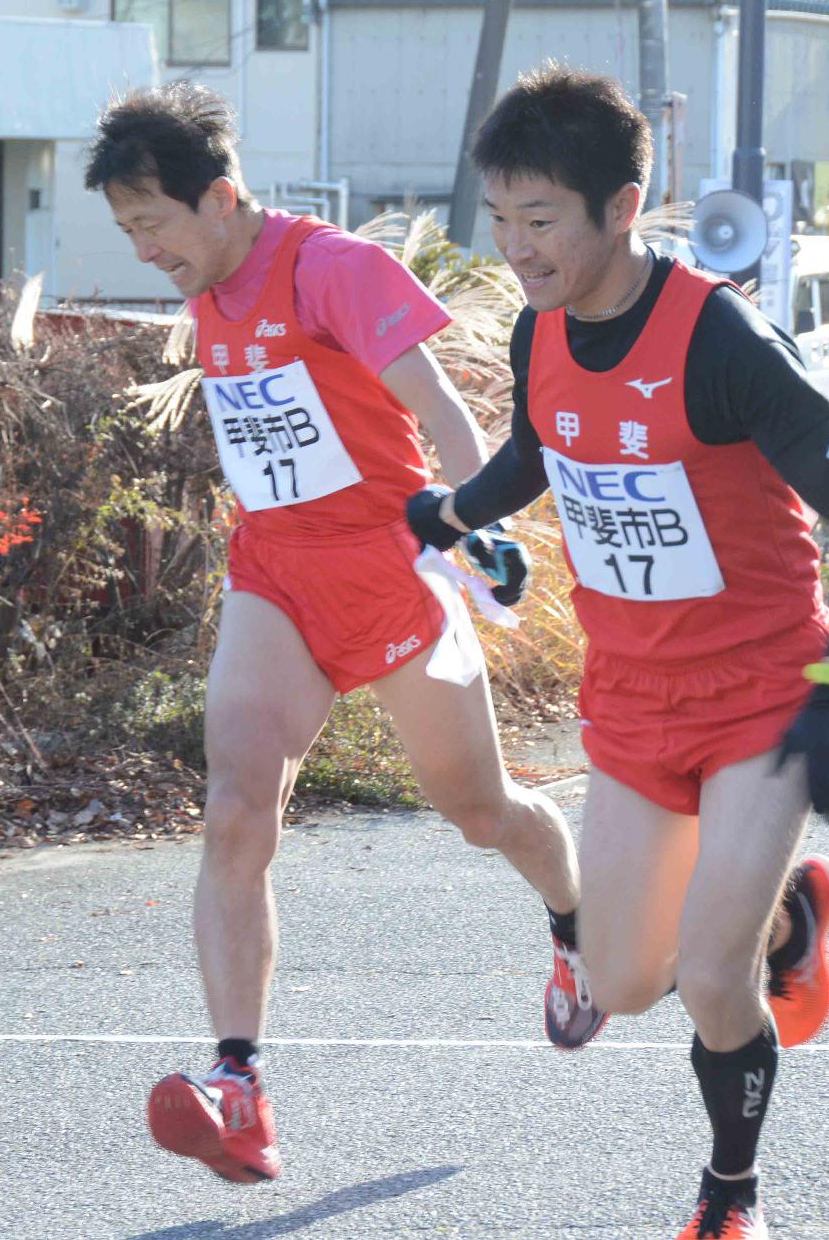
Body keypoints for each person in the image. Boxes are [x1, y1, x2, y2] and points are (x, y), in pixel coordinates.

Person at [406, 65, 829, 1240]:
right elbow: (540, 448)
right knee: (626, 980)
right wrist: (453, 511)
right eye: (501, 219)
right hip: (631, 695)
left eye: (540, 221)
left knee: (713, 981)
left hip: (763, 692)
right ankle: (786, 913)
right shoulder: (538, 326)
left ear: (621, 207)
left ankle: (729, 1195)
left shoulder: (719, 339)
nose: (516, 249)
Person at [85, 82, 601, 1186]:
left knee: (481, 811)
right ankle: (238, 1087)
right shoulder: (208, 286)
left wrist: (480, 528)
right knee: (235, 811)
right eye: (126, 230)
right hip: (275, 578)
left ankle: (575, 922)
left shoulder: (332, 270)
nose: (143, 251)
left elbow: (441, 409)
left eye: (153, 224)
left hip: (393, 576)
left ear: (220, 198)